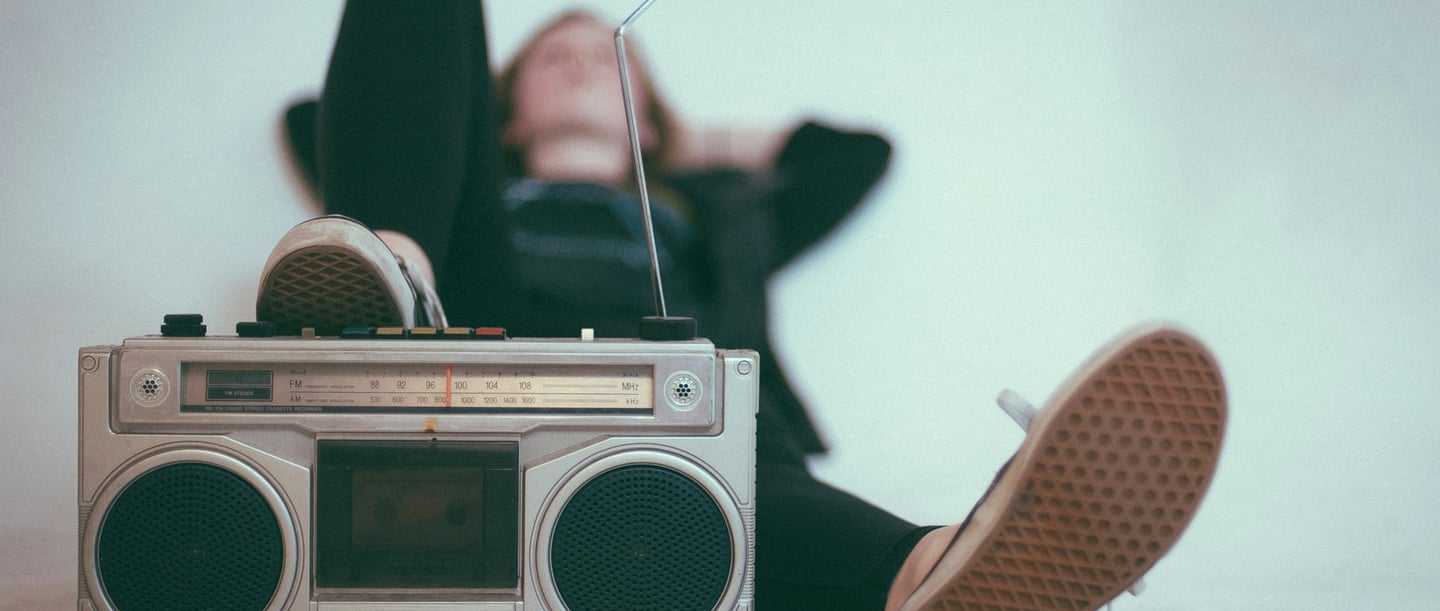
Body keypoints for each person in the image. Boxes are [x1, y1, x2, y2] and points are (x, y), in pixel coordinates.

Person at [261, 3, 1228, 610]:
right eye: (552, 57)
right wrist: (453, 154)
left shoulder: (717, 213)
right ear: (503, 105)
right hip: (477, 341)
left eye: (609, 58)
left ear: (651, 105)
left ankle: (938, 571)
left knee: (739, 446)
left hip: (683, 409)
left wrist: (681, 141)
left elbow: (856, 154)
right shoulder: (473, 193)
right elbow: (321, 117)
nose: (580, 61)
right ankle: (387, 280)